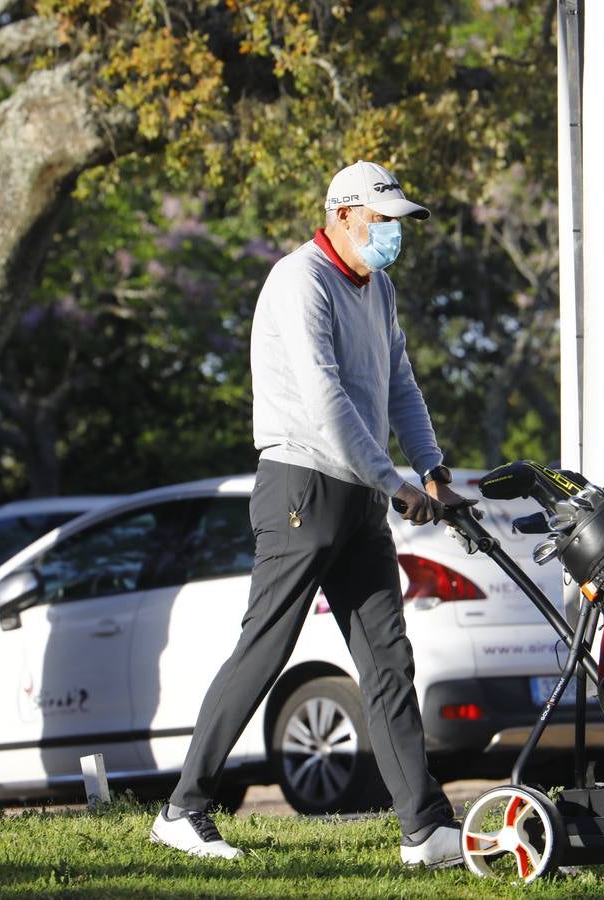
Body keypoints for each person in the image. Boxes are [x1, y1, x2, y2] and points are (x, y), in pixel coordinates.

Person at [149, 161, 470, 865]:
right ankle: (183, 809)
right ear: (344, 213)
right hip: (301, 485)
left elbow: (399, 387)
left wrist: (432, 470)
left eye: (399, 223)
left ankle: (424, 827)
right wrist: (392, 480)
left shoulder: (376, 287)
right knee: (267, 646)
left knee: (387, 658)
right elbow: (327, 401)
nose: (393, 235)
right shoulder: (300, 281)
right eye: (383, 221)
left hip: (358, 494)